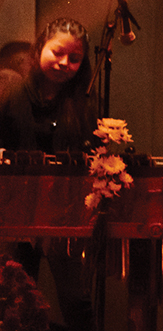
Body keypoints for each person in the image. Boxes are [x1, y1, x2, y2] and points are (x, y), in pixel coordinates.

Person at [0, 18, 98, 331]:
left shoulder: (83, 102)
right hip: (15, 210)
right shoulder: (11, 90)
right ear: (41, 46)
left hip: (63, 213)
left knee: (77, 303)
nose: (64, 63)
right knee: (17, 301)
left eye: (75, 58)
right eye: (57, 53)